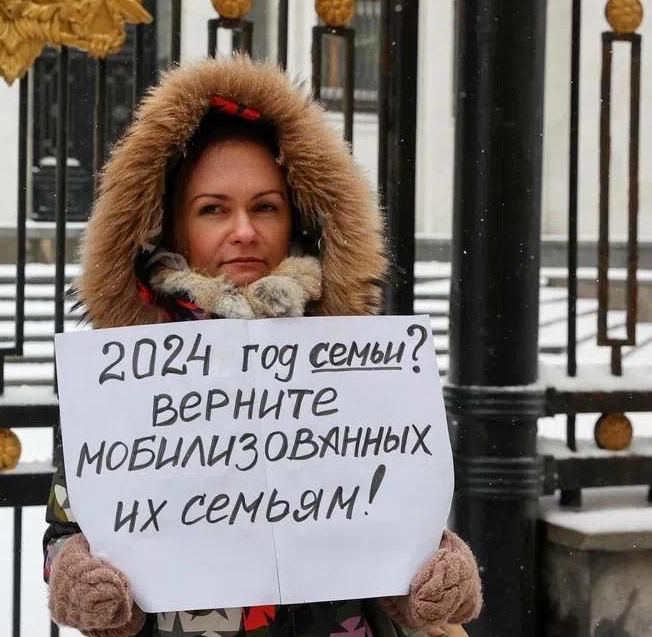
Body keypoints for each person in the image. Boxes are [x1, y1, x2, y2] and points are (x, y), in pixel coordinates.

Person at [42, 55, 482, 637]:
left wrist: (432, 580)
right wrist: (79, 581)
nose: (244, 230)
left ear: (297, 219)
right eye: (213, 209)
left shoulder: (361, 358)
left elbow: (395, 528)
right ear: (171, 225)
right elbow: (65, 532)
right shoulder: (118, 374)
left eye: (265, 207)